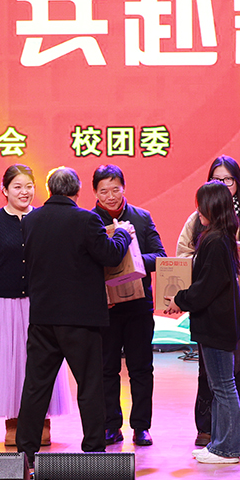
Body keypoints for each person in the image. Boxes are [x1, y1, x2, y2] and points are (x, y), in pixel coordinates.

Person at [14, 167, 132, 467]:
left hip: (43, 317)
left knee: (36, 387)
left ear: (49, 189)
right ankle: (93, 451)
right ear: (78, 191)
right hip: (81, 319)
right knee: (90, 386)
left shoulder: (31, 220)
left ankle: (25, 454)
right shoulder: (87, 220)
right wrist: (122, 234)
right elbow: (110, 255)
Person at [176, 156, 240, 447]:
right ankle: (208, 429)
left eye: (227, 179)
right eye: (216, 179)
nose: (222, 184)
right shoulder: (198, 219)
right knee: (208, 371)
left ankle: (232, 432)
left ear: (237, 183)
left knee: (235, 370)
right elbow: (183, 256)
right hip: (207, 307)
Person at [0, 164, 69, 446]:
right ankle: (13, 423)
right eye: (17, 187)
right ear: (4, 190)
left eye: (29, 186)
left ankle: (42, 421)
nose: (24, 192)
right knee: (8, 366)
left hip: (39, 304)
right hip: (1, 304)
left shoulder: (43, 219)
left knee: (40, 363)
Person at [167, 182, 240, 464]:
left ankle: (228, 448)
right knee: (219, 387)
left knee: (223, 387)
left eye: (201, 205)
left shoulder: (215, 241)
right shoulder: (218, 238)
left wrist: (180, 299)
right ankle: (219, 444)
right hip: (217, 324)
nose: (198, 211)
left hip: (216, 325)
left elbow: (205, 288)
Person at [91, 165, 166, 447]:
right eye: (104, 191)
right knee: (106, 369)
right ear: (95, 192)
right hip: (105, 308)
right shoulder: (89, 221)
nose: (110, 196)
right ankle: (111, 425)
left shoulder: (142, 218)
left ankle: (141, 426)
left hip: (138, 307)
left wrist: (131, 260)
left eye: (115, 189)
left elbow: (160, 256)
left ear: (124, 188)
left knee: (141, 368)